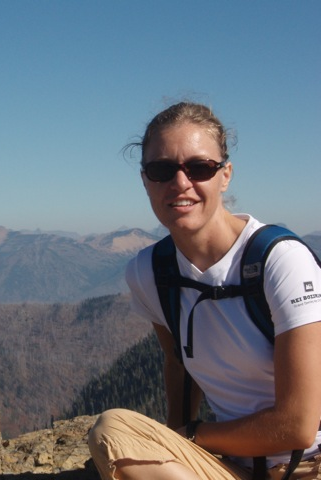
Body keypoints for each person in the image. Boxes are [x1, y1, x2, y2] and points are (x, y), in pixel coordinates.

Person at [88, 102, 321, 480]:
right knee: (112, 431)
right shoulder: (150, 273)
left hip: (309, 465)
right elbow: (178, 364)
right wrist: (172, 441)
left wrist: (193, 435)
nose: (180, 182)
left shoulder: (280, 260)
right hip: (230, 467)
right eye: (162, 170)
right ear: (145, 180)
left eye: (199, 168)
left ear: (225, 175)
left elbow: (297, 426)